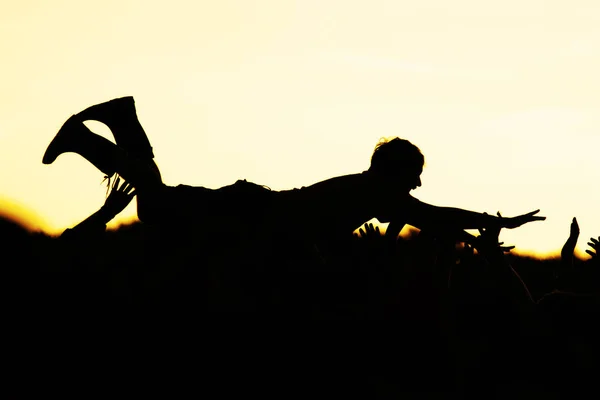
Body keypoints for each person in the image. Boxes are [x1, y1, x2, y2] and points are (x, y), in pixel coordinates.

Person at [42, 97, 545, 253]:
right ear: (396, 174)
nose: (416, 185)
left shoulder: (372, 192)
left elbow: (432, 218)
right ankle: (99, 133)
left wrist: (481, 234)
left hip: (248, 208)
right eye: (413, 175)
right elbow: (434, 214)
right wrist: (493, 224)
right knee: (153, 205)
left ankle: (120, 121)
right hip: (247, 212)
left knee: (156, 202)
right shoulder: (376, 194)